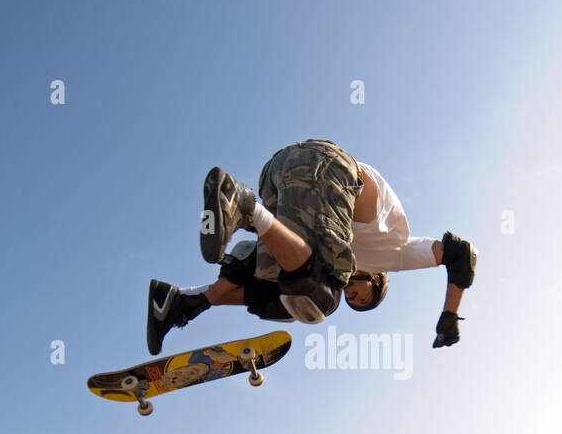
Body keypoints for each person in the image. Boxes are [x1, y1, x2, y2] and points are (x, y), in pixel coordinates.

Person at [146, 139, 477, 354]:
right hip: (330, 170)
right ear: (376, 279)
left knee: (283, 299)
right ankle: (244, 205)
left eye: (354, 302)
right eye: (361, 295)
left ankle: (180, 302)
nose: (352, 295)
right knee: (320, 297)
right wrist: (450, 315)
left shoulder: (329, 248)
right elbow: (462, 254)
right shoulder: (398, 253)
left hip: (278, 168)